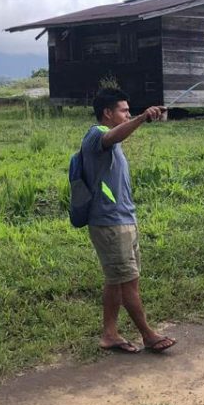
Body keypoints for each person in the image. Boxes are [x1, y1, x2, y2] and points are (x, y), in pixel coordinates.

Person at [81, 88, 175, 354]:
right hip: (110, 223)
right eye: (124, 110)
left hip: (122, 219)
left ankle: (109, 334)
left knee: (116, 280)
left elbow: (117, 136)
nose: (128, 114)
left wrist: (137, 119)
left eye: (129, 110)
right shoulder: (96, 135)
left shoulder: (112, 142)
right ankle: (148, 335)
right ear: (107, 113)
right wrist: (143, 117)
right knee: (127, 281)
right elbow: (112, 135)